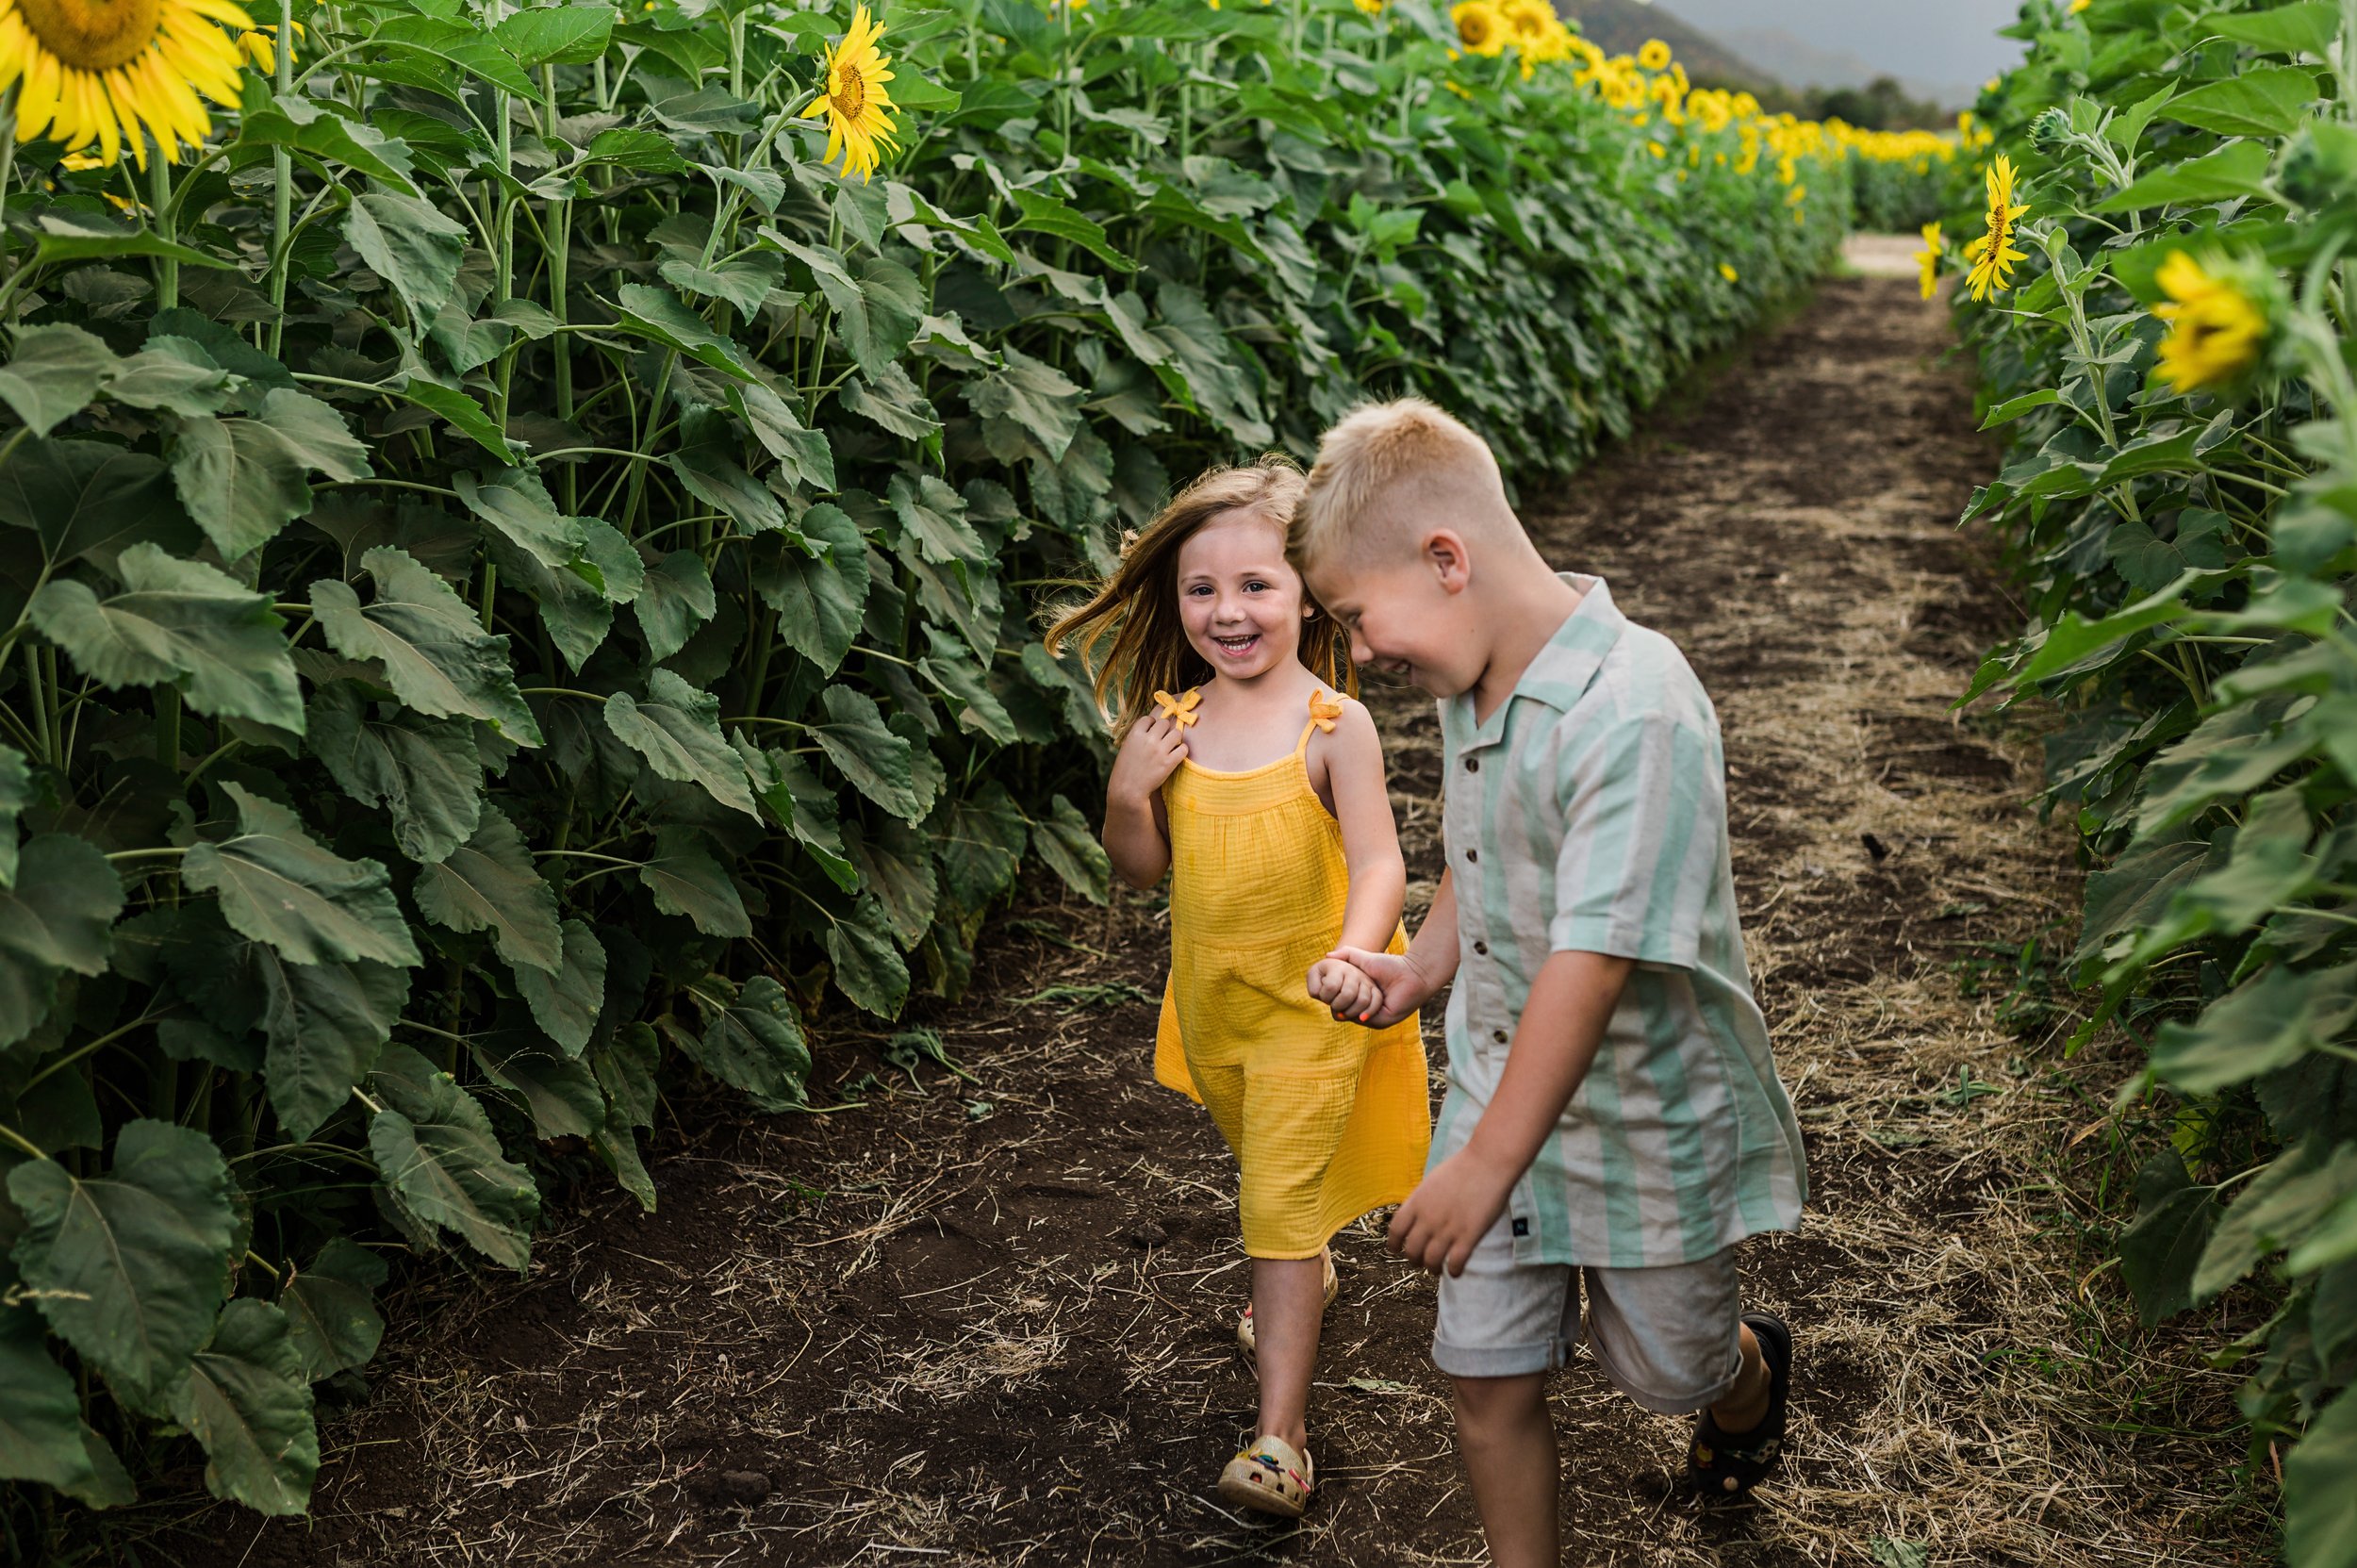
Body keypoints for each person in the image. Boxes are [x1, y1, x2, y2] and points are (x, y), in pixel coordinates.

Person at [1294, 398, 1807, 1566]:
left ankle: (1742, 1377)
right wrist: (1419, 969)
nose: (1361, 653)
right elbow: (1482, 851)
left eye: (1356, 618)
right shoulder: (1471, 676)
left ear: (1445, 560)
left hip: (1640, 1114)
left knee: (1661, 1368)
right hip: (1495, 1083)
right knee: (1484, 1376)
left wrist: (1479, 1168)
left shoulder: (1635, 708)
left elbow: (1592, 954)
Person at [1046, 456, 1431, 1522]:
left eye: (1256, 585)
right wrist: (1129, 790)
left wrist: (1358, 951)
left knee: (1272, 1201)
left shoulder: (1332, 727)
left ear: (1307, 588)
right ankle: (1300, 1272)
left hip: (1314, 1010)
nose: (1227, 611)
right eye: (1200, 589)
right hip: (1215, 1012)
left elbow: (1385, 861)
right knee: (1263, 1171)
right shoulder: (1172, 723)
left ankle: (1281, 1438)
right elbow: (1142, 866)